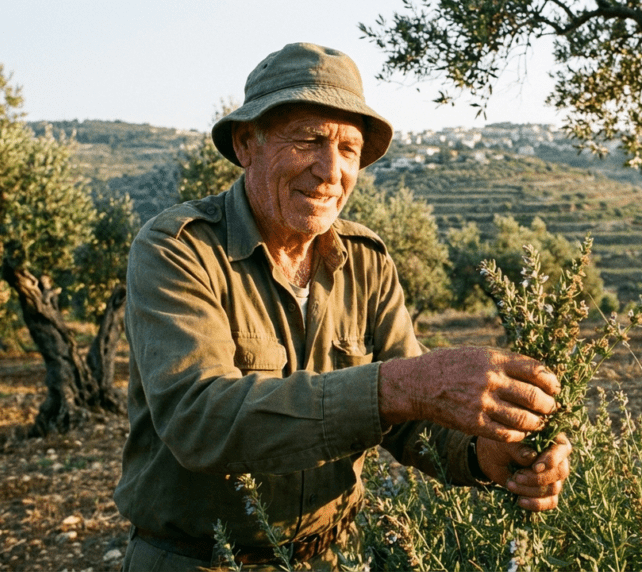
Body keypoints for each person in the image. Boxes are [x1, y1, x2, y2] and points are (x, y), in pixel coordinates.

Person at [114, 42, 572, 570]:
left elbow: (411, 423)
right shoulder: (178, 249)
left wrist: (491, 455)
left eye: (349, 149)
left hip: (335, 558)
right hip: (197, 561)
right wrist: (398, 385)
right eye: (309, 139)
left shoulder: (366, 260)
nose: (331, 171)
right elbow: (200, 419)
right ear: (247, 143)